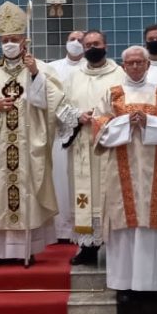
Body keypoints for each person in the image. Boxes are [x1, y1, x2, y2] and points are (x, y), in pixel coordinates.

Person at [0, 1, 64, 265]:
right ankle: (3, 252)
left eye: (14, 39)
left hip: (29, 143)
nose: (9, 43)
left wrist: (35, 74)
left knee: (27, 192)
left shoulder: (41, 68)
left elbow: (53, 100)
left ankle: (28, 249)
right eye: (5, 40)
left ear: (24, 40)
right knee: (0, 190)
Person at [94, 46, 157, 300]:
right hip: (122, 170)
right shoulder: (112, 94)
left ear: (147, 64)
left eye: (139, 62)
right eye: (129, 63)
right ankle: (124, 283)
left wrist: (149, 122)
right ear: (123, 66)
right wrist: (125, 122)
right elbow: (98, 126)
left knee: (152, 224)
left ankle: (154, 284)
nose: (134, 67)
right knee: (125, 224)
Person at [55, 30, 126, 265]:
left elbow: (127, 105)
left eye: (96, 43)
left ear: (106, 45)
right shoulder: (74, 76)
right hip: (82, 147)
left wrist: (104, 120)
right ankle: (87, 248)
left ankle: (115, 247)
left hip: (110, 145)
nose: (92, 47)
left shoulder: (120, 74)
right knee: (84, 196)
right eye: (88, 44)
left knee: (111, 195)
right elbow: (60, 106)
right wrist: (77, 116)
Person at [48, 30, 86, 242]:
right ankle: (61, 229)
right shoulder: (53, 68)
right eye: (72, 39)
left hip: (86, 133)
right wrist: (72, 118)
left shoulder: (92, 68)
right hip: (60, 133)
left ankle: (82, 228)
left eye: (81, 40)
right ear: (65, 43)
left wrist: (81, 118)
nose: (76, 43)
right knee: (60, 181)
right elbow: (51, 98)